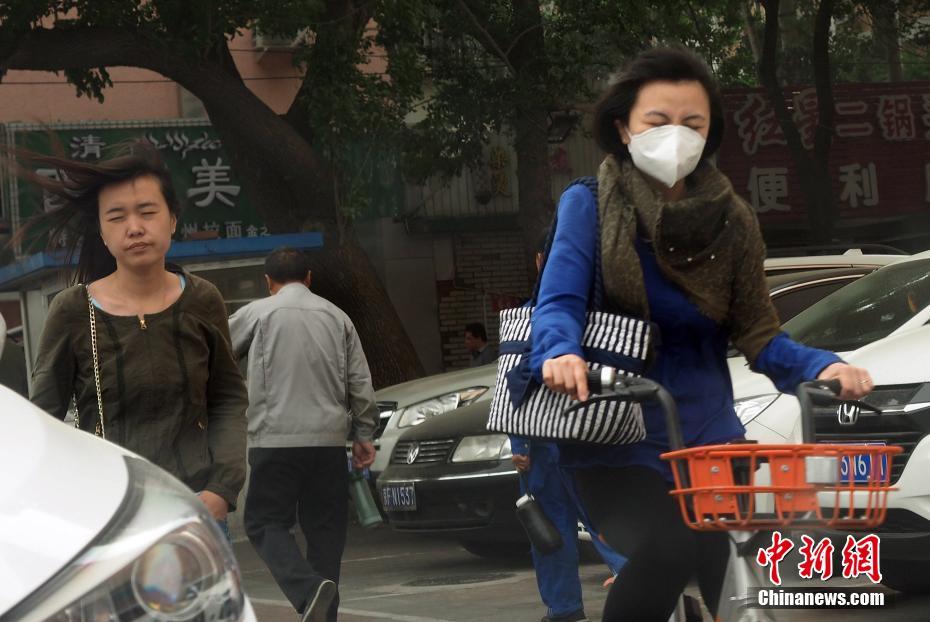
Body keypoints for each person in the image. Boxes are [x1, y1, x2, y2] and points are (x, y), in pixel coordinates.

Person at [529, 47, 874, 622]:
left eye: (693, 123)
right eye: (657, 121)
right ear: (623, 128)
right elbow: (559, 299)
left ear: (710, 133)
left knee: (737, 573)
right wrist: (559, 352)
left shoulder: (733, 220)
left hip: (710, 439)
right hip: (618, 435)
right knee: (666, 551)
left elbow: (761, 335)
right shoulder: (588, 203)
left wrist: (822, 366)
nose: (675, 136)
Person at [28, 142, 248, 534]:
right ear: (103, 231)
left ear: (173, 219)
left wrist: (221, 488)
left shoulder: (203, 299)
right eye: (117, 217)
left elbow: (228, 398)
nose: (135, 227)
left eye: (147, 212)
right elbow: (44, 419)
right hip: (109, 516)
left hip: (194, 513)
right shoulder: (72, 310)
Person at [228, 246, 379, 622]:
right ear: (309, 277)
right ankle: (321, 610)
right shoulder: (337, 317)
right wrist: (364, 433)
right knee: (326, 529)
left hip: (274, 439)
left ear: (268, 282)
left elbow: (215, 351)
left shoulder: (257, 313)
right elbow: (361, 382)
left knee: (264, 521)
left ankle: (308, 590)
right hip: (328, 442)